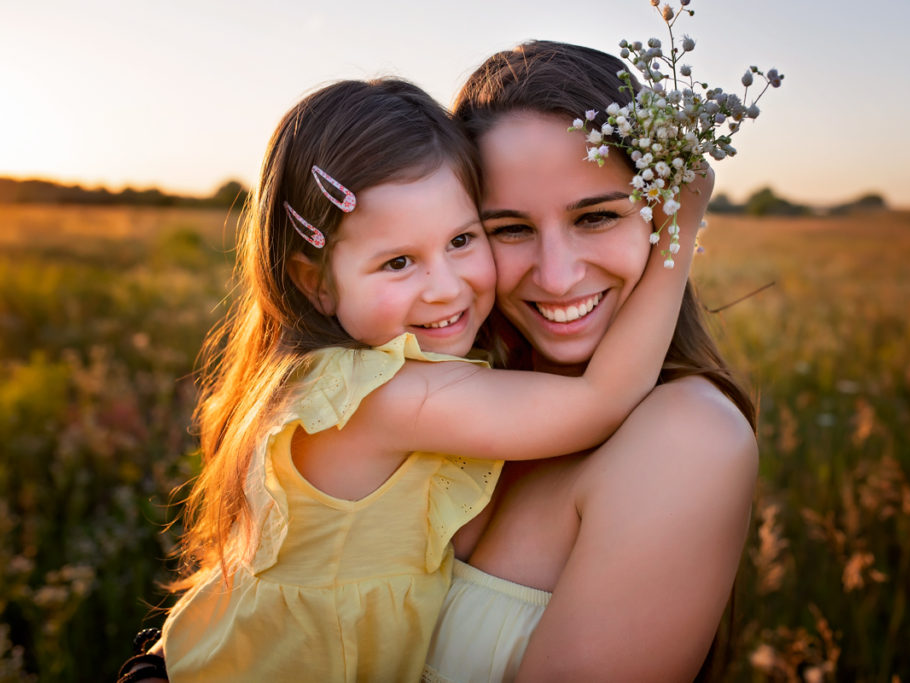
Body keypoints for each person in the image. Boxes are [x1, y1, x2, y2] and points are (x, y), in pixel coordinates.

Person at [130, 76, 707, 683]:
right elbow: (601, 399)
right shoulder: (381, 396)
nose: (445, 286)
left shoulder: (322, 376)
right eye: (398, 262)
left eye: (462, 240)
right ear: (315, 281)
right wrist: (680, 230)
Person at [422, 40, 759, 682]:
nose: (557, 276)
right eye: (509, 229)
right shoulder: (444, 393)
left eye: (598, 216)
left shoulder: (689, 438)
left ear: (665, 215)